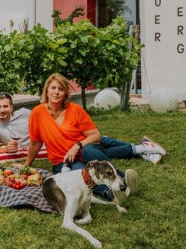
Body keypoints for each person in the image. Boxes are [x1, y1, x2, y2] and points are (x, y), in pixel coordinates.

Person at [24, 73, 166, 201]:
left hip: (84, 149)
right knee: (83, 174)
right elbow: (35, 143)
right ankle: (112, 194)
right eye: (53, 88)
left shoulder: (75, 109)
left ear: (65, 93)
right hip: (63, 160)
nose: (56, 92)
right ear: (47, 90)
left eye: (60, 89)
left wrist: (77, 145)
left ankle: (122, 180)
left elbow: (95, 135)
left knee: (90, 151)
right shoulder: (37, 113)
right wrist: (26, 166)